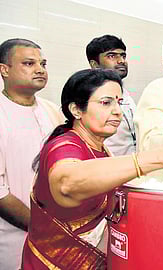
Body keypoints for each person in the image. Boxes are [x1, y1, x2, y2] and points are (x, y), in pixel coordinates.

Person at [22, 69, 163, 269]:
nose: (118, 111)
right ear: (76, 110)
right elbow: (67, 183)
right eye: (106, 103)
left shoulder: (99, 147)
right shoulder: (65, 145)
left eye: (119, 102)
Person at [0, 38, 64, 270]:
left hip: (56, 234)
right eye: (29, 63)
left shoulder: (51, 110)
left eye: (43, 64)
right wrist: (39, 226)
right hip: (12, 240)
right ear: (4, 70)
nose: (40, 69)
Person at [86, 35, 137, 156]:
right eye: (112, 56)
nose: (121, 61)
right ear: (95, 64)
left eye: (123, 55)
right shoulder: (90, 98)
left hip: (133, 167)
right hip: (108, 168)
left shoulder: (126, 95)